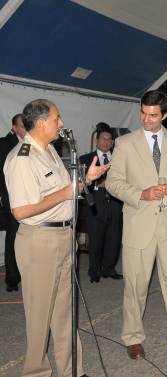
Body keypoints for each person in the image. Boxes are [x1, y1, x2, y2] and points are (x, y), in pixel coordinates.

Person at [4, 99, 108, 377]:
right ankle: (35, 372)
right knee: (39, 317)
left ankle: (72, 369)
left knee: (65, 312)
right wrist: (64, 194)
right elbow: (21, 210)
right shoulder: (21, 158)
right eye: (56, 118)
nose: (61, 123)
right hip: (39, 241)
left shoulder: (50, 150)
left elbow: (67, 190)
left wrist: (87, 179)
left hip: (63, 236)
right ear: (40, 124)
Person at [106, 90, 167, 359]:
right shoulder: (124, 143)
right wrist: (140, 194)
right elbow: (113, 183)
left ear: (165, 116)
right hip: (139, 224)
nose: (146, 119)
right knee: (135, 285)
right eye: (143, 113)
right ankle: (132, 336)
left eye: (153, 115)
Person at [79, 123, 123, 283]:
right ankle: (94, 271)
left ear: (112, 143)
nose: (106, 142)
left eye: (109, 140)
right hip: (95, 206)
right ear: (97, 141)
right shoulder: (85, 159)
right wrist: (98, 184)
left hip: (116, 204)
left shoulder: (119, 159)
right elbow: (81, 185)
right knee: (96, 239)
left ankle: (109, 268)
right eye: (103, 139)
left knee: (114, 238)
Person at [0, 113, 26, 292]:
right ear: (14, 127)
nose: (26, 129)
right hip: (11, 200)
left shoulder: (31, 144)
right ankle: (12, 278)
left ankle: (26, 273)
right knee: (13, 238)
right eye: (23, 126)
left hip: (30, 199)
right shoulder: (3, 144)